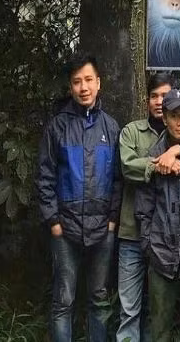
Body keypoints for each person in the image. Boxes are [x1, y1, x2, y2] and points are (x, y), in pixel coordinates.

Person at [116, 73, 180, 342]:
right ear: (164, 118)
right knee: (158, 325)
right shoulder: (152, 152)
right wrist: (149, 245)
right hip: (161, 254)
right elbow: (143, 209)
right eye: (174, 115)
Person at [35, 54, 121, 342]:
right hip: (65, 230)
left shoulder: (111, 128)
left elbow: (118, 181)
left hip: (102, 231)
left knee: (99, 298)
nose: (83, 87)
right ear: (70, 87)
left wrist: (111, 221)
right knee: (64, 301)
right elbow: (44, 177)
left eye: (88, 80)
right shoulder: (56, 127)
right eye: (76, 82)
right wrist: (53, 222)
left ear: (98, 83)